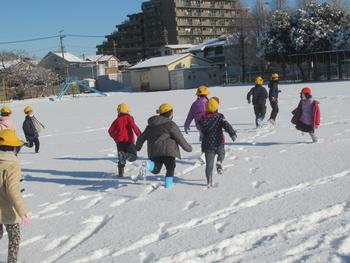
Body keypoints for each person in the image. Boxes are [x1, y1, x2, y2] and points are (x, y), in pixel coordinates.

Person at [136, 103, 192, 188]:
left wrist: (138, 146)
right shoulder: (171, 124)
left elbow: (142, 137)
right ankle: (168, 185)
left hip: (154, 151)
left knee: (156, 169)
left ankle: (148, 165)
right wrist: (188, 148)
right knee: (170, 167)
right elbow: (179, 137)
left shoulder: (150, 126)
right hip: (168, 152)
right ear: (170, 114)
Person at [0, 129, 31, 263]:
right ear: (14, 147)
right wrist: (23, 210)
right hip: (7, 210)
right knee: (14, 237)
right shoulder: (12, 164)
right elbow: (13, 191)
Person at [199, 98, 237, 187]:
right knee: (222, 154)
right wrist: (232, 134)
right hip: (219, 142)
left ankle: (209, 181)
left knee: (209, 165)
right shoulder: (220, 117)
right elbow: (226, 125)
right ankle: (219, 162)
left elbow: (201, 127)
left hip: (208, 146)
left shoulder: (202, 120)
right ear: (216, 108)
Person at [108, 103, 141, 177]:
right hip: (129, 141)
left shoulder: (116, 120)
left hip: (119, 142)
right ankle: (126, 155)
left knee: (121, 158)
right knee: (133, 156)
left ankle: (120, 174)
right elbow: (134, 127)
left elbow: (110, 131)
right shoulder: (129, 118)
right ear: (127, 111)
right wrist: (140, 136)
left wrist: (116, 138)